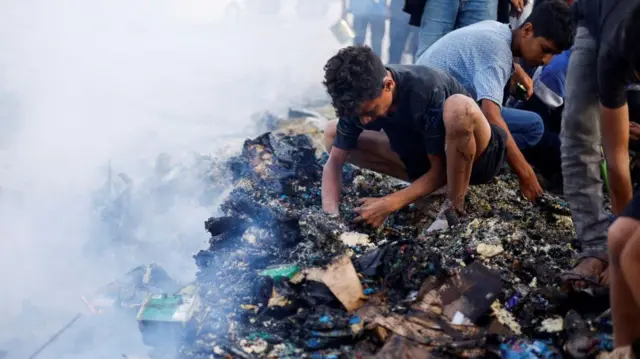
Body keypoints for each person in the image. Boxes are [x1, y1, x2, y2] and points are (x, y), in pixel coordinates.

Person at [321, 45, 507, 227]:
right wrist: (331, 219)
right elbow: (334, 163)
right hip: (423, 158)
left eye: (370, 111)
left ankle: (453, 207)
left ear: (388, 85)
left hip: (477, 160)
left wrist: (389, 203)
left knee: (459, 108)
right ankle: (427, 190)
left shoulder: (425, 88)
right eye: (358, 115)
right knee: (331, 132)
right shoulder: (356, 102)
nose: (365, 120)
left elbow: (440, 169)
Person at [415, 0, 575, 201]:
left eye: (554, 54)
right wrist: (525, 173)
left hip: (445, 105)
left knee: (534, 126)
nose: (546, 60)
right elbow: (491, 115)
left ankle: (479, 159)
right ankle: (461, 167)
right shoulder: (497, 53)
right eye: (545, 49)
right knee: (499, 124)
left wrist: (516, 69)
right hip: (432, 119)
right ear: (527, 30)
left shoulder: (500, 30)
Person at [567, 0, 640, 348]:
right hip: (597, 16)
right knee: (579, 130)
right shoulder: (614, 53)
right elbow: (617, 157)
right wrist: (618, 252)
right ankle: (596, 246)